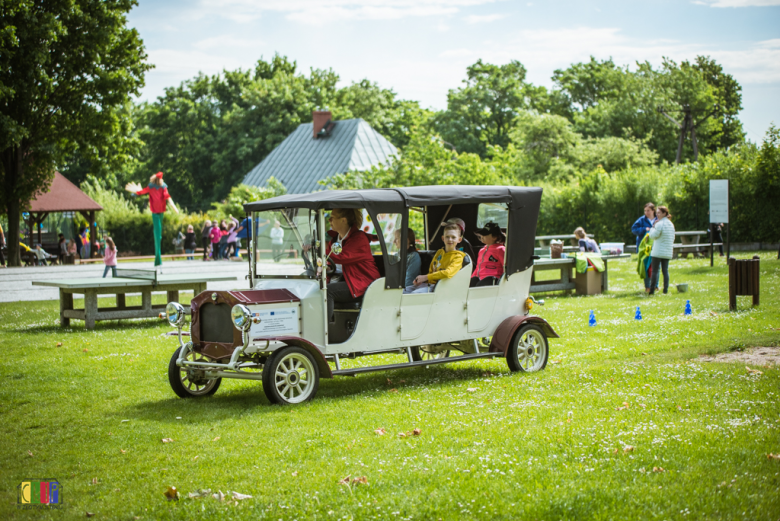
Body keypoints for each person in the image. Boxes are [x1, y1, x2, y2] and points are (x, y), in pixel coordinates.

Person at [324, 208, 381, 322]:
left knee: (328, 291)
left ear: (343, 220)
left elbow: (342, 257)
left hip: (363, 283)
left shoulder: (359, 239)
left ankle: (325, 332)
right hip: (346, 280)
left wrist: (320, 251)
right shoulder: (335, 239)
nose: (329, 220)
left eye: (332, 217)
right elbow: (330, 261)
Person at [125, 171, 179, 266]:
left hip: (159, 212)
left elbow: (166, 196)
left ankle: (158, 258)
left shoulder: (161, 187)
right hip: (157, 212)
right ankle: (158, 259)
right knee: (157, 235)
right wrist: (137, 192)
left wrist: (173, 205)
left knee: (158, 235)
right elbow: (143, 191)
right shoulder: (153, 187)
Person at [405, 222, 466, 294]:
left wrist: (425, 277)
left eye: (453, 237)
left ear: (459, 240)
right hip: (430, 285)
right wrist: (422, 281)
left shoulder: (458, 257)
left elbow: (447, 273)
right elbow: (431, 270)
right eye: (447, 237)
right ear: (443, 238)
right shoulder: (439, 252)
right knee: (404, 291)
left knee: (414, 295)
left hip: (442, 287)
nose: (450, 239)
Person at [648, 205, 675, 295]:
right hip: (667, 251)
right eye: (657, 212)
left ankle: (651, 291)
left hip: (657, 252)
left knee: (655, 271)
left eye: (659, 213)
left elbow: (653, 236)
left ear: (664, 213)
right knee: (665, 271)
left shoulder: (659, 224)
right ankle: (665, 290)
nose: (657, 214)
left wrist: (652, 227)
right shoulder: (671, 224)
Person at [470, 222, 506, 287]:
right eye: (481, 234)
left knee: (480, 286)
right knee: (470, 284)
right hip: (479, 278)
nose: (482, 236)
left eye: (485, 234)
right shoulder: (482, 250)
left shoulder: (500, 250)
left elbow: (505, 266)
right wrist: (472, 277)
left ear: (494, 237)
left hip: (493, 279)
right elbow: (478, 267)